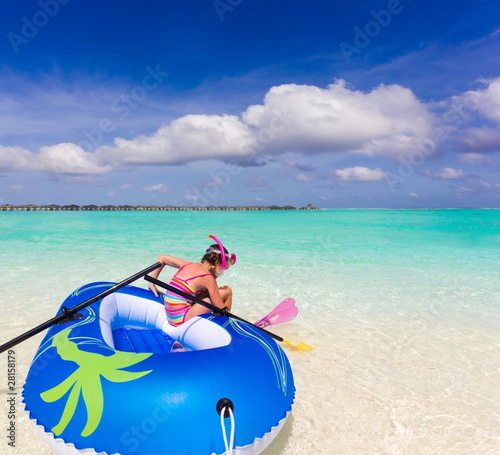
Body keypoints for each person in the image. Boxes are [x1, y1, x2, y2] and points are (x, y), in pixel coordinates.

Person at [148, 235, 236, 327]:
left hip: (171, 316)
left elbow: (162, 258)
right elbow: (219, 308)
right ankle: (227, 325)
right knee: (227, 291)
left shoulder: (189, 265)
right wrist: (225, 310)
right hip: (181, 320)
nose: (221, 272)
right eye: (222, 268)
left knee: (204, 293)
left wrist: (152, 283)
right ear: (217, 262)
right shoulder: (208, 278)